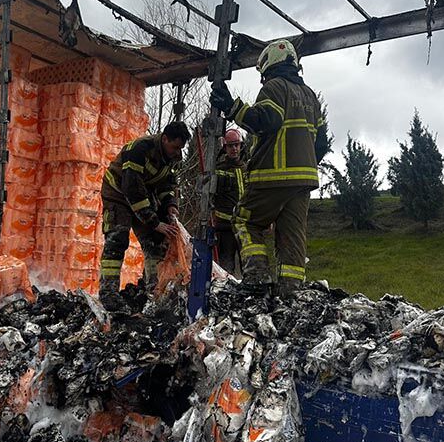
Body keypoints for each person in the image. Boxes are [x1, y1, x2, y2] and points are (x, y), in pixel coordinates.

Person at [209, 38, 324, 297]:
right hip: (304, 178)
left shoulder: (275, 86)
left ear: (269, 63)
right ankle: (290, 294)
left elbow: (266, 121)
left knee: (244, 220)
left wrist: (232, 107)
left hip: (273, 174)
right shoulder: (310, 96)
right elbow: (319, 139)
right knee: (291, 238)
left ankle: (257, 281)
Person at [98, 121, 190, 311]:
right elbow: (132, 188)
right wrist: (154, 222)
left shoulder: (172, 157)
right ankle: (109, 294)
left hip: (144, 195)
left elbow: (168, 185)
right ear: (165, 139)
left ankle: (154, 290)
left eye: (180, 148)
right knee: (118, 238)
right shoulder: (139, 149)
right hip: (117, 193)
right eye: (174, 147)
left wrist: (170, 205)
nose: (176, 152)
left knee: (156, 242)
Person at [212, 127, 246, 276]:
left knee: (249, 265)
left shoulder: (247, 169)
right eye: (230, 146)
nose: (234, 149)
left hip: (245, 226)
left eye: (236, 145)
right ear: (225, 148)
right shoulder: (218, 170)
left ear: (240, 146)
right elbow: (211, 197)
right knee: (226, 268)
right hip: (224, 227)